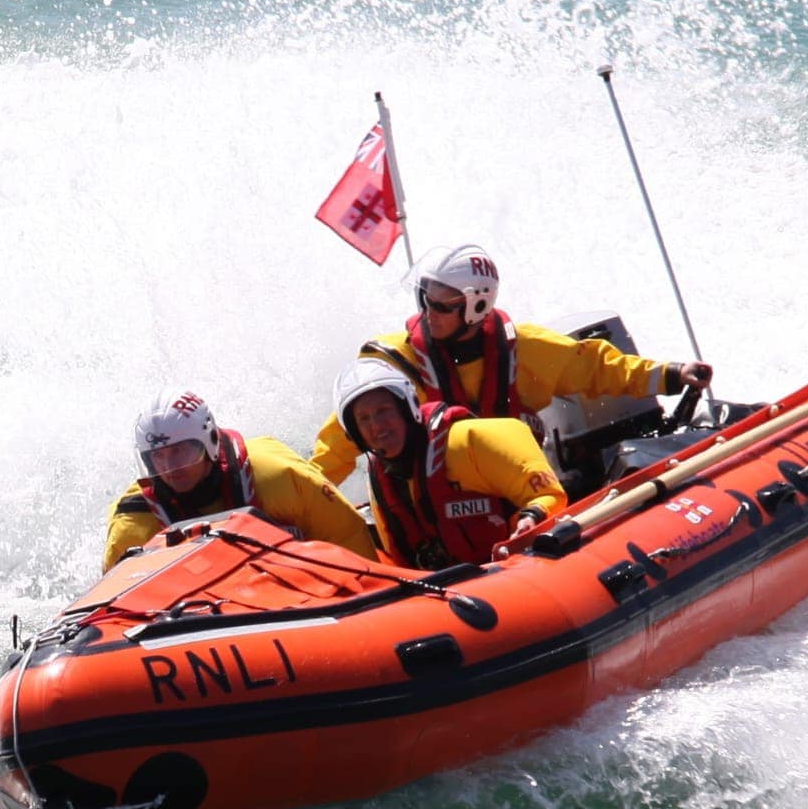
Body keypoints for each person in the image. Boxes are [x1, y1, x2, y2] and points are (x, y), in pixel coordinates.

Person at [311, 243, 713, 486]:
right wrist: (311, 492)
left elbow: (595, 366)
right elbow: (340, 442)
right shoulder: (393, 365)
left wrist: (670, 374)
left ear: (476, 306)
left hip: (510, 493)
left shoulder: (525, 349)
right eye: (425, 299)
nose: (428, 312)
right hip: (426, 501)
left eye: (441, 305)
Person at [103, 387, 378, 572]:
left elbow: (347, 535)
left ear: (210, 441)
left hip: (299, 593)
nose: (170, 467)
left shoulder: (279, 476)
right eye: (158, 457)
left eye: (181, 450)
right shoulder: (133, 525)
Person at [332, 358, 569, 571]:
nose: (376, 425)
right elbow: (401, 559)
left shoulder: (469, 441)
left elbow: (550, 496)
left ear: (407, 409)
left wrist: (531, 518)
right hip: (450, 597)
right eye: (364, 419)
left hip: (518, 572)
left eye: (383, 411)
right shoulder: (379, 479)